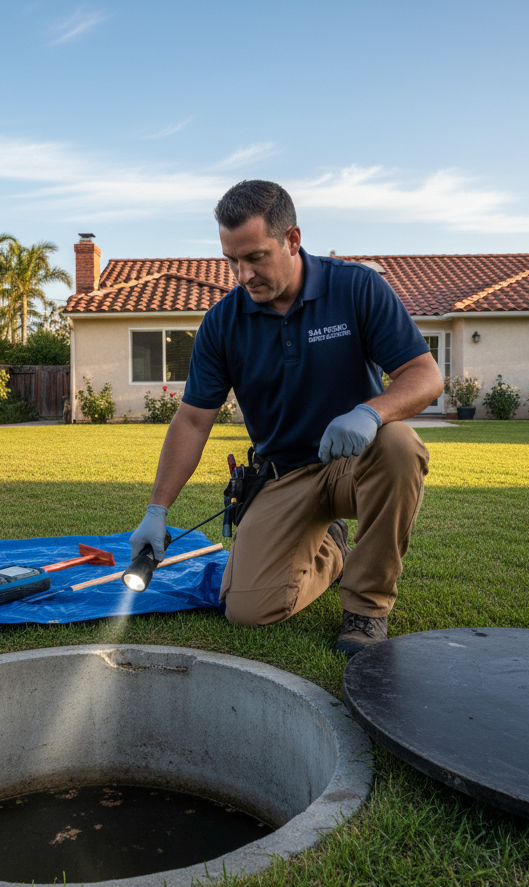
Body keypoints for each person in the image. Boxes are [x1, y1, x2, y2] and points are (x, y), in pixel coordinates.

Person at [128, 180, 444, 655]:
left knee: (400, 446)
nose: (243, 274)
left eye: (255, 257)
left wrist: (370, 412)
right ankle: (333, 548)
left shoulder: (356, 288)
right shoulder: (222, 324)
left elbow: (425, 375)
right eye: (232, 260)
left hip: (355, 464)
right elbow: (192, 421)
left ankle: (366, 607)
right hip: (282, 476)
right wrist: (157, 510)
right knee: (248, 610)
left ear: (292, 240)